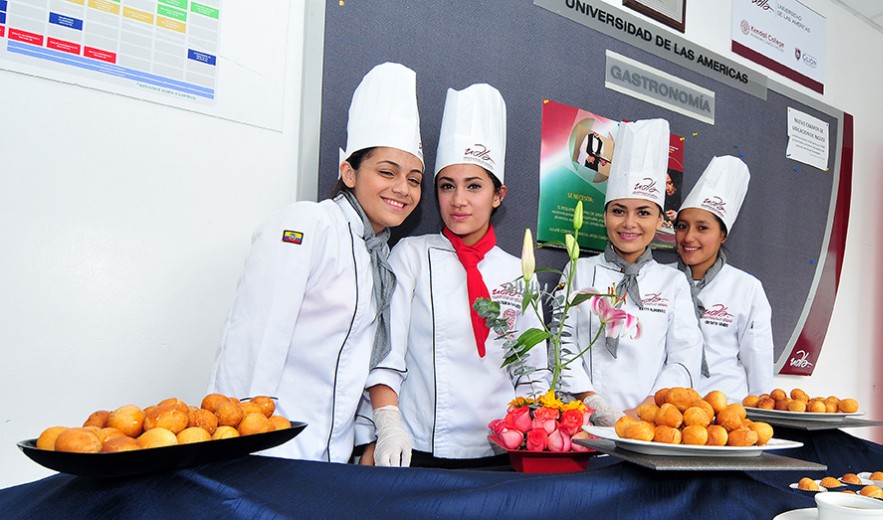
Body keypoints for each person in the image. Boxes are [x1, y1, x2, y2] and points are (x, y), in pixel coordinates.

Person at [208, 63, 424, 462]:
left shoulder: (379, 258)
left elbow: (356, 361)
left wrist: (375, 432)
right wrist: (237, 447)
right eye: (387, 172)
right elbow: (255, 339)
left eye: (414, 179)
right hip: (271, 453)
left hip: (331, 458)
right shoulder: (308, 224)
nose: (402, 188)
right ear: (349, 173)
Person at [362, 83, 548, 468]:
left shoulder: (519, 271)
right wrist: (386, 426)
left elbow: (532, 369)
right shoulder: (411, 254)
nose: (458, 200)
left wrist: (538, 429)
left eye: (474, 186)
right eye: (447, 186)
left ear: (498, 195)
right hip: (419, 447)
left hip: (502, 449)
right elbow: (386, 352)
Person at [561, 118, 704, 425]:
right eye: (618, 211)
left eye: (643, 212)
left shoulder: (674, 282)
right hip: (583, 422)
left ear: (660, 220)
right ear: (605, 216)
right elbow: (562, 345)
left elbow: (684, 357)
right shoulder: (577, 271)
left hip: (650, 426)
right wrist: (599, 408)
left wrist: (643, 412)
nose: (629, 223)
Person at [673, 155, 773, 400]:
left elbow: (758, 357)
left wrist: (761, 411)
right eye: (682, 226)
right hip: (668, 408)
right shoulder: (662, 280)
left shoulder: (746, 287)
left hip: (728, 406)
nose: (689, 237)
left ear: (723, 235)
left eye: (702, 228)